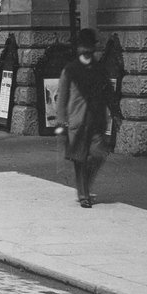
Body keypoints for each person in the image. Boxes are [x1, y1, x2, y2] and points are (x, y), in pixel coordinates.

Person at [55, 29, 122, 208]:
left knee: (99, 153)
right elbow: (62, 97)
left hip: (97, 118)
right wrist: (61, 121)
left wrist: (116, 112)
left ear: (92, 48)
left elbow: (108, 92)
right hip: (77, 121)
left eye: (89, 47)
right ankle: (83, 194)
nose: (86, 50)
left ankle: (85, 185)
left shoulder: (100, 68)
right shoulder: (70, 70)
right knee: (80, 158)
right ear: (79, 49)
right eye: (83, 47)